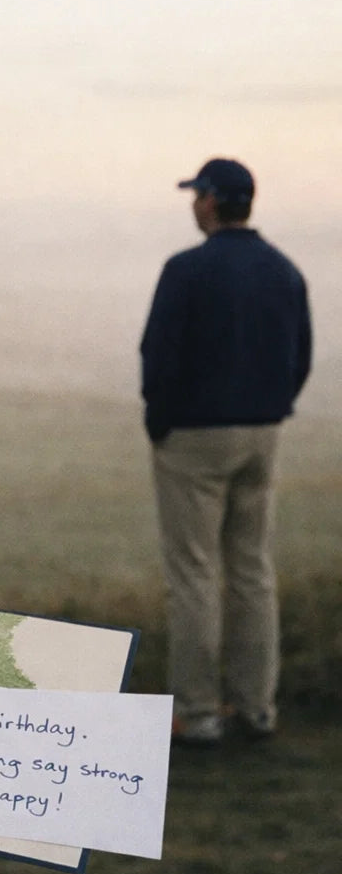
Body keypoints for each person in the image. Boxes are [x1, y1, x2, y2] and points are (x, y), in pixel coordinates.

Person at [140, 157, 312, 747]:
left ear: (212, 201)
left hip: (193, 435)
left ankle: (199, 712)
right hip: (262, 432)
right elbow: (301, 355)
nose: (192, 204)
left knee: (193, 574)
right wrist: (272, 409)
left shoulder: (186, 271)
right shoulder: (283, 270)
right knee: (252, 571)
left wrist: (159, 423)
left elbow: (157, 357)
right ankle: (256, 708)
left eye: (196, 195)